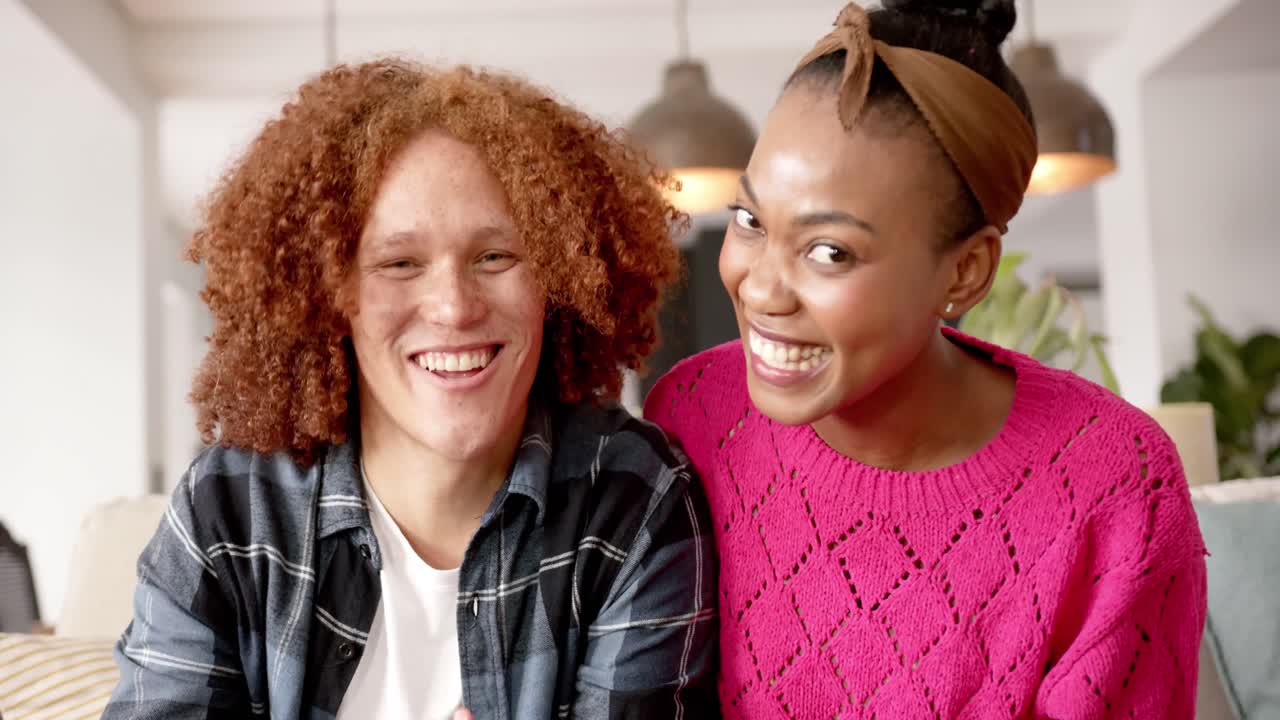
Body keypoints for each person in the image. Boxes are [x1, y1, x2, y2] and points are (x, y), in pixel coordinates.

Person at [104, 59, 718, 720]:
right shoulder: (229, 510)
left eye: (494, 256)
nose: (453, 308)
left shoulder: (633, 498)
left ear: (558, 282)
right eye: (399, 264)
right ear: (328, 297)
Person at [646, 1, 1206, 718]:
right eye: (750, 220)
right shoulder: (694, 414)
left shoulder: (1115, 486)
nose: (759, 289)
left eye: (828, 251)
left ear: (966, 272)